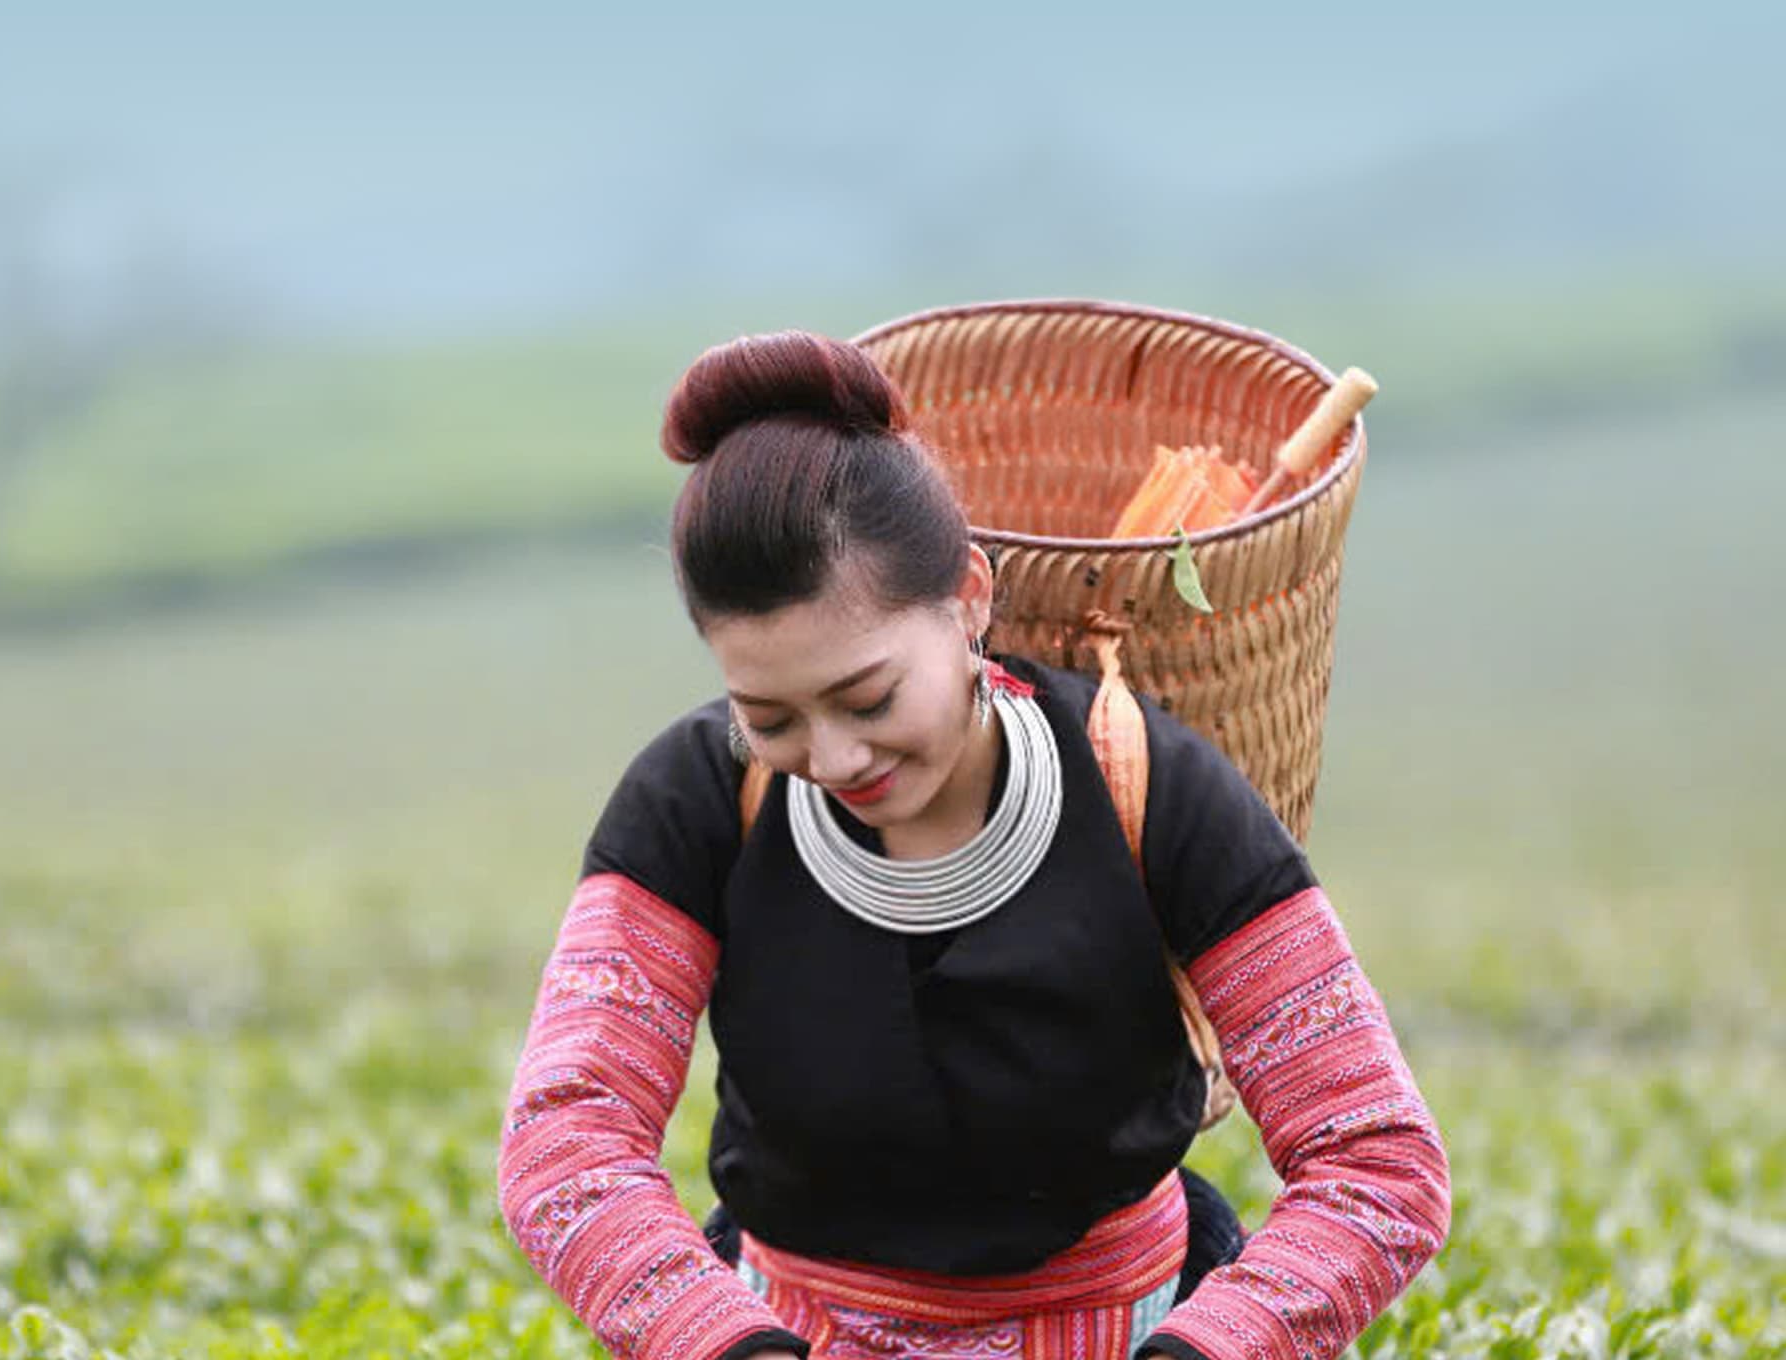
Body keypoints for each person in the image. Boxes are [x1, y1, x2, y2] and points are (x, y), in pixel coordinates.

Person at [496, 330, 1450, 1360]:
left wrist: (1208, 1346)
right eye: (770, 717)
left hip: (1126, 1333)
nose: (832, 754)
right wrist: (731, 1345)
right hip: (787, 1332)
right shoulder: (698, 799)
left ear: (968, 599)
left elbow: (1376, 1160)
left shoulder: (1149, 788)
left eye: (867, 697)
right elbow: (567, 1139)